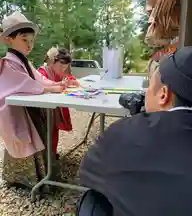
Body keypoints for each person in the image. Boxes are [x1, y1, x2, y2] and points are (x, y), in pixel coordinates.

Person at [79, 47, 192, 216]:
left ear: (163, 94)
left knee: (93, 200)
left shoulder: (124, 132)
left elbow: (87, 171)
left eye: (149, 86)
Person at [0, 11, 66, 189]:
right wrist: (52, 88)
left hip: (29, 109)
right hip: (17, 112)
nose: (29, 45)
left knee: (37, 138)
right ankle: (26, 179)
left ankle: (41, 177)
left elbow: (38, 79)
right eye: (24, 40)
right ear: (9, 40)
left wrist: (57, 83)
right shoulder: (8, 64)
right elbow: (24, 84)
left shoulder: (24, 62)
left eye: (31, 40)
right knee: (25, 141)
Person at [38, 47, 79, 159]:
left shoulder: (59, 72)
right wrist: (58, 85)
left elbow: (68, 78)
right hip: (44, 109)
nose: (62, 70)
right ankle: (45, 157)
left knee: (54, 132)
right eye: (61, 66)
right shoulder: (42, 72)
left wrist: (72, 81)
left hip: (54, 108)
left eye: (65, 68)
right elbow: (40, 85)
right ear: (52, 62)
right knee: (45, 133)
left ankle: (52, 154)